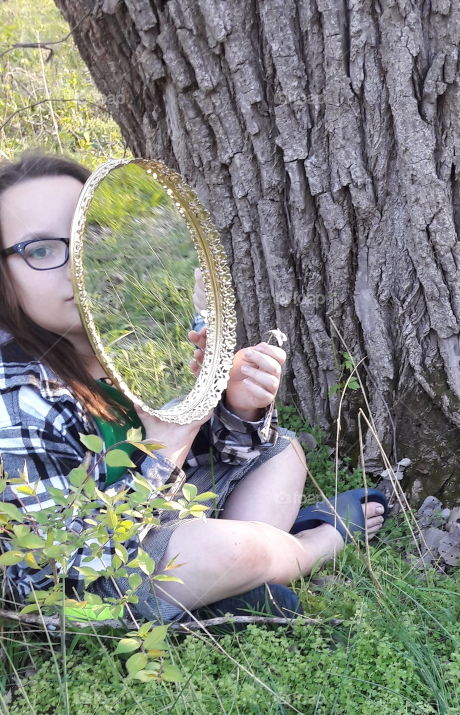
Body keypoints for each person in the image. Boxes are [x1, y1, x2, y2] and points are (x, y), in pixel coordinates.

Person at [0, 151, 386, 623]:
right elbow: (60, 567)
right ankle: (309, 547)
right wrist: (165, 447)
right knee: (221, 550)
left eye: (84, 237)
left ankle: (232, 581)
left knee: (282, 452)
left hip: (159, 521)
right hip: (91, 580)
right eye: (41, 250)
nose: (75, 267)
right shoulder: (16, 395)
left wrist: (236, 407)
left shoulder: (126, 336)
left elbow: (207, 457)